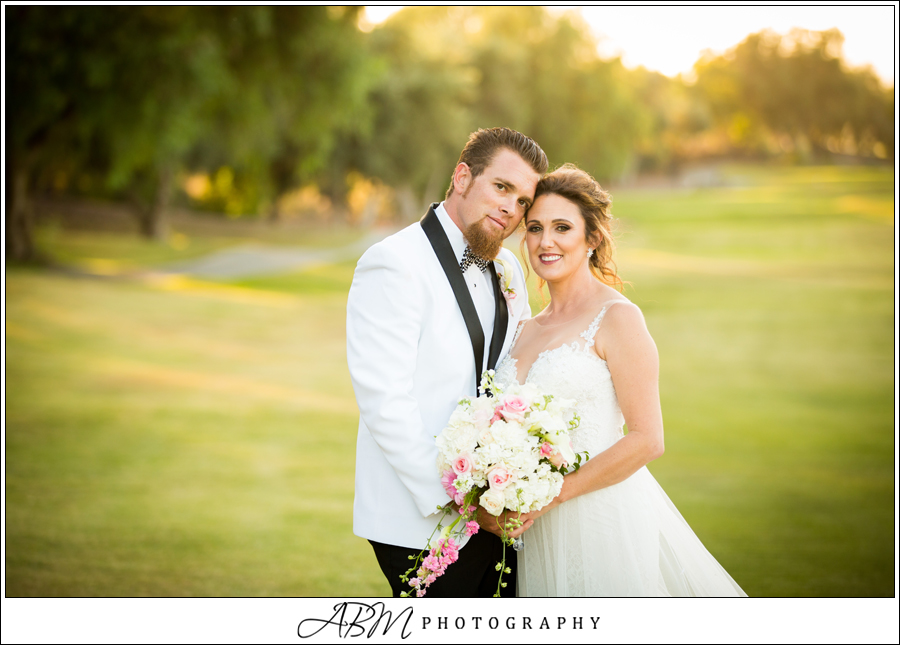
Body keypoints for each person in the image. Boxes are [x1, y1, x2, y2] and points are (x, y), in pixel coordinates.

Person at [493, 163, 746, 596]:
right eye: (534, 228)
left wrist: (555, 492)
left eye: (561, 227)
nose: (545, 241)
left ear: (592, 238)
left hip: (597, 517)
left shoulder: (618, 319)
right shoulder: (524, 329)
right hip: (535, 531)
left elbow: (648, 438)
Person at [347, 127, 548, 597]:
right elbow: (385, 402)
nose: (511, 209)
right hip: (417, 516)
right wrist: (460, 501)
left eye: (523, 201)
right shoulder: (393, 262)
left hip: (497, 510)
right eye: (502, 188)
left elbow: (514, 379)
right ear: (462, 177)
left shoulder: (507, 268)